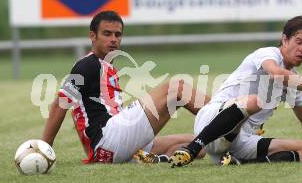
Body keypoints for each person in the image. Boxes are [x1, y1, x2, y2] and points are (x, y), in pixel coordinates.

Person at [169, 16, 302, 167]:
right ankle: (191, 149)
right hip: (210, 124)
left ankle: (238, 162)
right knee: (255, 101)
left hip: (238, 143)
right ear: (285, 39)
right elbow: (277, 74)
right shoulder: (267, 54)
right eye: (299, 42)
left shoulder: (293, 79)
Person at [42, 10, 209, 164]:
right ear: (93, 36)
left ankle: (158, 160)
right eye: (107, 34)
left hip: (112, 148)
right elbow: (59, 105)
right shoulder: (87, 65)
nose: (113, 39)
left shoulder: (104, 66)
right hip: (108, 139)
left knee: (198, 144)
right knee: (176, 88)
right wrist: (44, 150)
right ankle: (226, 119)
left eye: (117, 34)